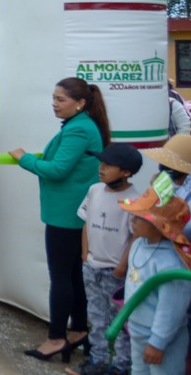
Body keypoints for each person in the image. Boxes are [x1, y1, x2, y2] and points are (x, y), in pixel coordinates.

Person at [11, 77, 108, 361]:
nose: (54, 104)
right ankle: (78, 331)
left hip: (66, 215)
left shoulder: (79, 129)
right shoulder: (81, 125)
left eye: (60, 99)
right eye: (53, 98)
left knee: (61, 277)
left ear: (79, 103)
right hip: (70, 213)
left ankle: (56, 338)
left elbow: (57, 170)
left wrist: (23, 158)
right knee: (73, 276)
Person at [75, 143, 143, 374]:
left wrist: (122, 266)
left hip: (116, 271)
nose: (101, 168)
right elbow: (86, 222)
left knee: (121, 322)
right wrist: (85, 255)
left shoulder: (135, 200)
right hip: (92, 266)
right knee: (96, 315)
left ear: (126, 172)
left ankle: (121, 365)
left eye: (108, 165)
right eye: (101, 163)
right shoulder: (95, 190)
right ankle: (98, 360)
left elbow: (136, 236)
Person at [120, 188, 191, 374]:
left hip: (163, 337)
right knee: (139, 371)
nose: (133, 221)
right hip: (137, 329)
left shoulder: (171, 263)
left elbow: (171, 308)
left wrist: (157, 343)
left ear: (161, 226)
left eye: (141, 218)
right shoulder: (138, 244)